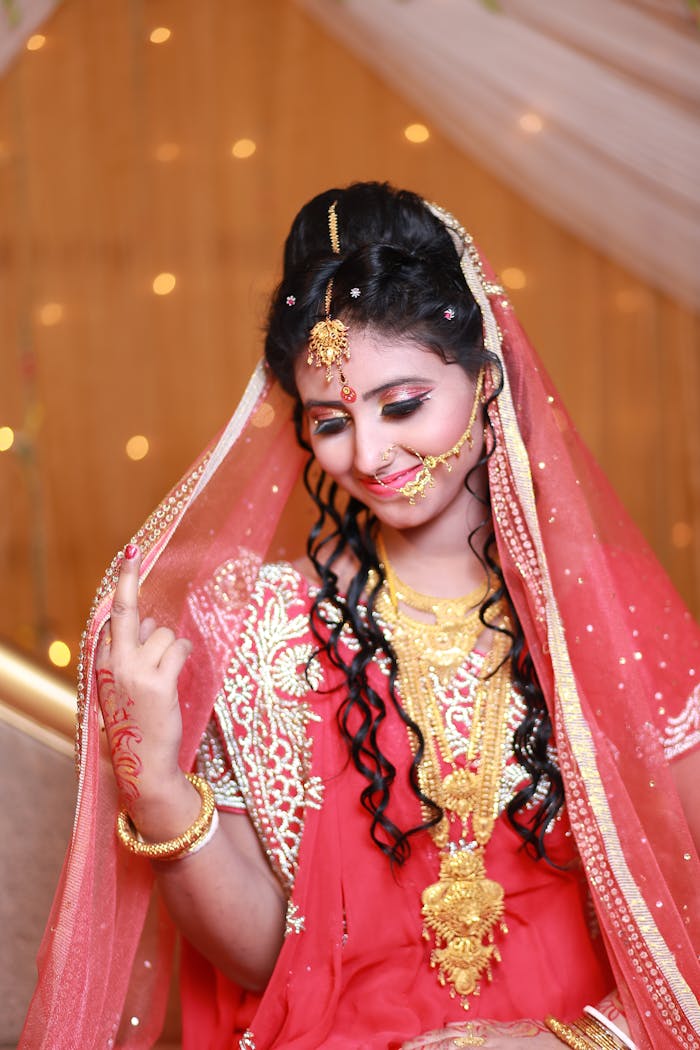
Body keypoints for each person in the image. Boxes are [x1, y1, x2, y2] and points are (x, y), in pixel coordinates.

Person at [21, 183, 700, 1050]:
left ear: (486, 381)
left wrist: (581, 1041)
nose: (371, 455)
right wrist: (155, 786)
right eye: (332, 421)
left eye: (404, 404)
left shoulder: (607, 610)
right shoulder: (255, 622)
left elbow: (687, 902)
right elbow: (271, 960)